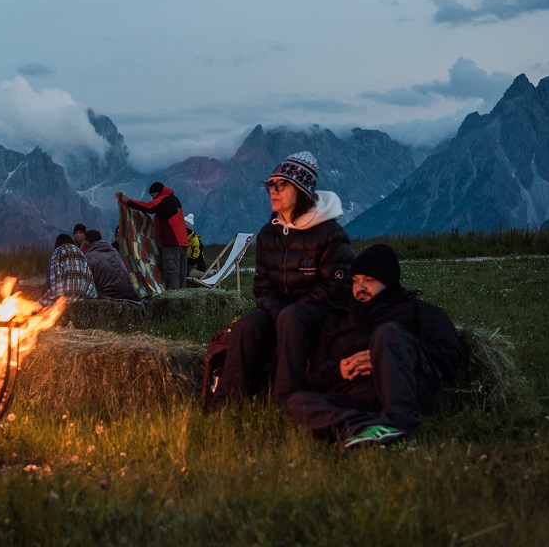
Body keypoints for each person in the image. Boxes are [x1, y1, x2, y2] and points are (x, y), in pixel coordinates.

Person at [212, 151, 354, 409]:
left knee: (292, 319)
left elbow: (337, 286)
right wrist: (278, 311)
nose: (273, 191)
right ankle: (224, 405)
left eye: (282, 185)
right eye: (271, 185)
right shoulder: (269, 234)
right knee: (246, 325)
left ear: (301, 190)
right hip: (283, 313)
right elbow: (262, 286)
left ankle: (286, 404)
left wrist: (292, 310)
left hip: (323, 313)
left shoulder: (329, 233)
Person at [284, 244, 461, 448]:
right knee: (297, 402)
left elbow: (450, 361)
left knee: (387, 333)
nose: (360, 288)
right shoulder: (338, 321)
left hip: (406, 395)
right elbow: (314, 379)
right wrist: (338, 370)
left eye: (369, 281)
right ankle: (367, 428)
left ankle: (401, 427)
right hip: (355, 398)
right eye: (355, 281)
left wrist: (391, 356)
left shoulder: (419, 312)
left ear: (388, 282)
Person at [116, 182, 188, 289]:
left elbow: (149, 207)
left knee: (171, 270)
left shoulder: (164, 199)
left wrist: (129, 202)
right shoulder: (174, 199)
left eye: (152, 195)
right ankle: (182, 294)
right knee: (181, 272)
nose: (152, 198)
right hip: (183, 241)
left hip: (172, 241)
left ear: (157, 192)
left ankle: (173, 296)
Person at [83, 229, 141, 304]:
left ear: (87, 242)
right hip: (129, 297)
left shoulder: (89, 257)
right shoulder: (114, 252)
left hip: (108, 299)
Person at [39, 234, 97, 306]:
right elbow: (88, 276)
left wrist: (55, 296)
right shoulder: (80, 252)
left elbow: (53, 279)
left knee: (38, 304)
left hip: (64, 300)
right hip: (84, 299)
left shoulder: (58, 251)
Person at [185, 214, 207, 279]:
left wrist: (182, 261)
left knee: (182, 272)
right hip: (189, 268)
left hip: (198, 269)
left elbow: (194, 260)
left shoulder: (195, 241)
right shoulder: (187, 239)